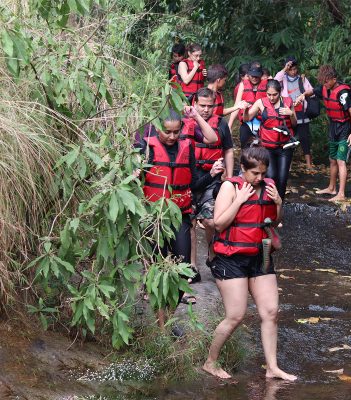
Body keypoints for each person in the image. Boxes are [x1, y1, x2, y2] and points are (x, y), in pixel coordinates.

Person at [202, 146, 297, 382]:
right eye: (255, 173)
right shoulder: (230, 187)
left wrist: (278, 204)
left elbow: (274, 221)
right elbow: (219, 224)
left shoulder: (269, 186)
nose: (259, 178)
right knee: (235, 315)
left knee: (271, 312)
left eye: (263, 173)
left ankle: (272, 367)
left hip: (260, 255)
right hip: (231, 258)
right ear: (243, 168)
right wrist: (240, 200)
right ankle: (210, 362)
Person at [136, 109, 217, 320]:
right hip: (155, 217)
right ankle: (162, 325)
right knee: (159, 270)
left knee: (182, 271)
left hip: (180, 215)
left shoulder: (186, 147)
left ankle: (169, 317)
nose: (172, 137)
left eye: (175, 132)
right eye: (167, 132)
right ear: (158, 129)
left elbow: (193, 183)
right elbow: (133, 181)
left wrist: (211, 175)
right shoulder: (145, 147)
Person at [189, 87, 236, 267]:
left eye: (210, 106)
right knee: (190, 222)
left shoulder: (221, 123)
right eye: (202, 105)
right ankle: (192, 265)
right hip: (191, 179)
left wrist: (229, 178)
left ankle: (212, 255)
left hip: (213, 178)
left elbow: (229, 150)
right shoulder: (187, 123)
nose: (206, 109)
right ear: (195, 104)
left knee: (210, 221)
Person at [303, 65, 351, 202]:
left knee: (340, 161)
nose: (324, 84)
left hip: (345, 127)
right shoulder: (324, 88)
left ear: (334, 79)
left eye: (326, 81)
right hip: (333, 127)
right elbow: (311, 91)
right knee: (332, 159)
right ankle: (331, 187)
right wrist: (303, 95)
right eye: (323, 82)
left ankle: (341, 194)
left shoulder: (343, 93)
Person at [243, 79, 297, 200]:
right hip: (267, 147)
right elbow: (246, 119)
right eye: (269, 94)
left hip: (285, 147)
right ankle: (269, 203)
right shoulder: (260, 103)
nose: (272, 98)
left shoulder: (288, 102)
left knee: (282, 178)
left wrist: (291, 114)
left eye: (275, 94)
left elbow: (294, 124)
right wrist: (246, 110)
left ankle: (280, 205)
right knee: (271, 176)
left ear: (280, 92)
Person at [275, 56, 315, 170]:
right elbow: (275, 80)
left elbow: (311, 92)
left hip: (301, 112)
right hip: (288, 112)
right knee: (289, 138)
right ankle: (288, 165)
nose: (293, 71)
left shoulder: (302, 79)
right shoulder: (283, 79)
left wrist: (303, 95)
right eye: (290, 69)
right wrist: (284, 69)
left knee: (304, 138)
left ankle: (308, 164)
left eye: (295, 69)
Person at [231, 62, 268, 148]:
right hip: (246, 122)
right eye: (252, 76)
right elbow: (237, 105)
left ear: (261, 75)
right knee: (245, 149)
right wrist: (230, 125)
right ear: (248, 74)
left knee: (263, 151)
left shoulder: (267, 85)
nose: (254, 78)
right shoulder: (242, 85)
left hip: (262, 122)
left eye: (257, 76)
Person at [229, 63, 250, 132]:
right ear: (242, 77)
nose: (250, 77)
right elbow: (237, 105)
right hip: (244, 116)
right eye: (248, 76)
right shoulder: (240, 87)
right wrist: (230, 125)